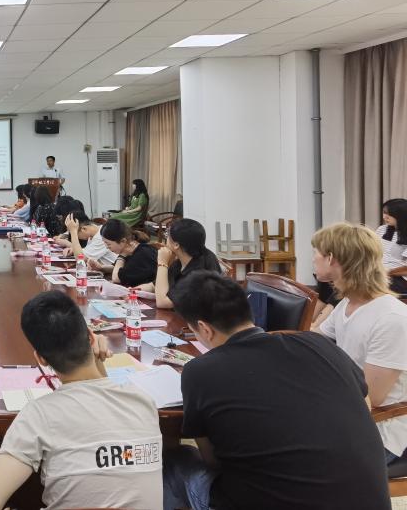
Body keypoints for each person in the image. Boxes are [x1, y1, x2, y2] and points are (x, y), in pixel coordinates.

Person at [164, 271, 389, 510]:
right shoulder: (319, 344)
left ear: (204, 329)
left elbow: (213, 460)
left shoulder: (200, 371)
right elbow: (364, 405)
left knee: (174, 457)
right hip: (368, 502)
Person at [0, 291, 162, 510]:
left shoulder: (38, 416)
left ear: (41, 359)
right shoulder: (143, 401)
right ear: (91, 338)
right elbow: (101, 395)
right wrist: (100, 363)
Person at [314, 221, 407, 465]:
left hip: (379, 432)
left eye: (317, 252)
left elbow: (371, 398)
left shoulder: (391, 319)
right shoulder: (348, 303)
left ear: (332, 259)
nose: (313, 258)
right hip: (348, 411)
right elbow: (313, 339)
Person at [152, 218, 221, 309]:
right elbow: (155, 286)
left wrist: (162, 263)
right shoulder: (182, 261)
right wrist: (134, 289)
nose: (166, 239)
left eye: (167, 236)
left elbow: (163, 302)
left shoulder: (200, 272)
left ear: (176, 245)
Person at [101, 219, 157, 288]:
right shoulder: (130, 249)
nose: (107, 247)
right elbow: (118, 268)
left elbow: (116, 278)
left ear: (123, 241)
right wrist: (100, 268)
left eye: (108, 244)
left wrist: (122, 256)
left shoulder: (141, 255)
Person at [378, 198, 407, 273]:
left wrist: (385, 273)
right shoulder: (382, 229)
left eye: (390, 214)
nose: (385, 217)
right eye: (384, 213)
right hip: (378, 272)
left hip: (397, 275)